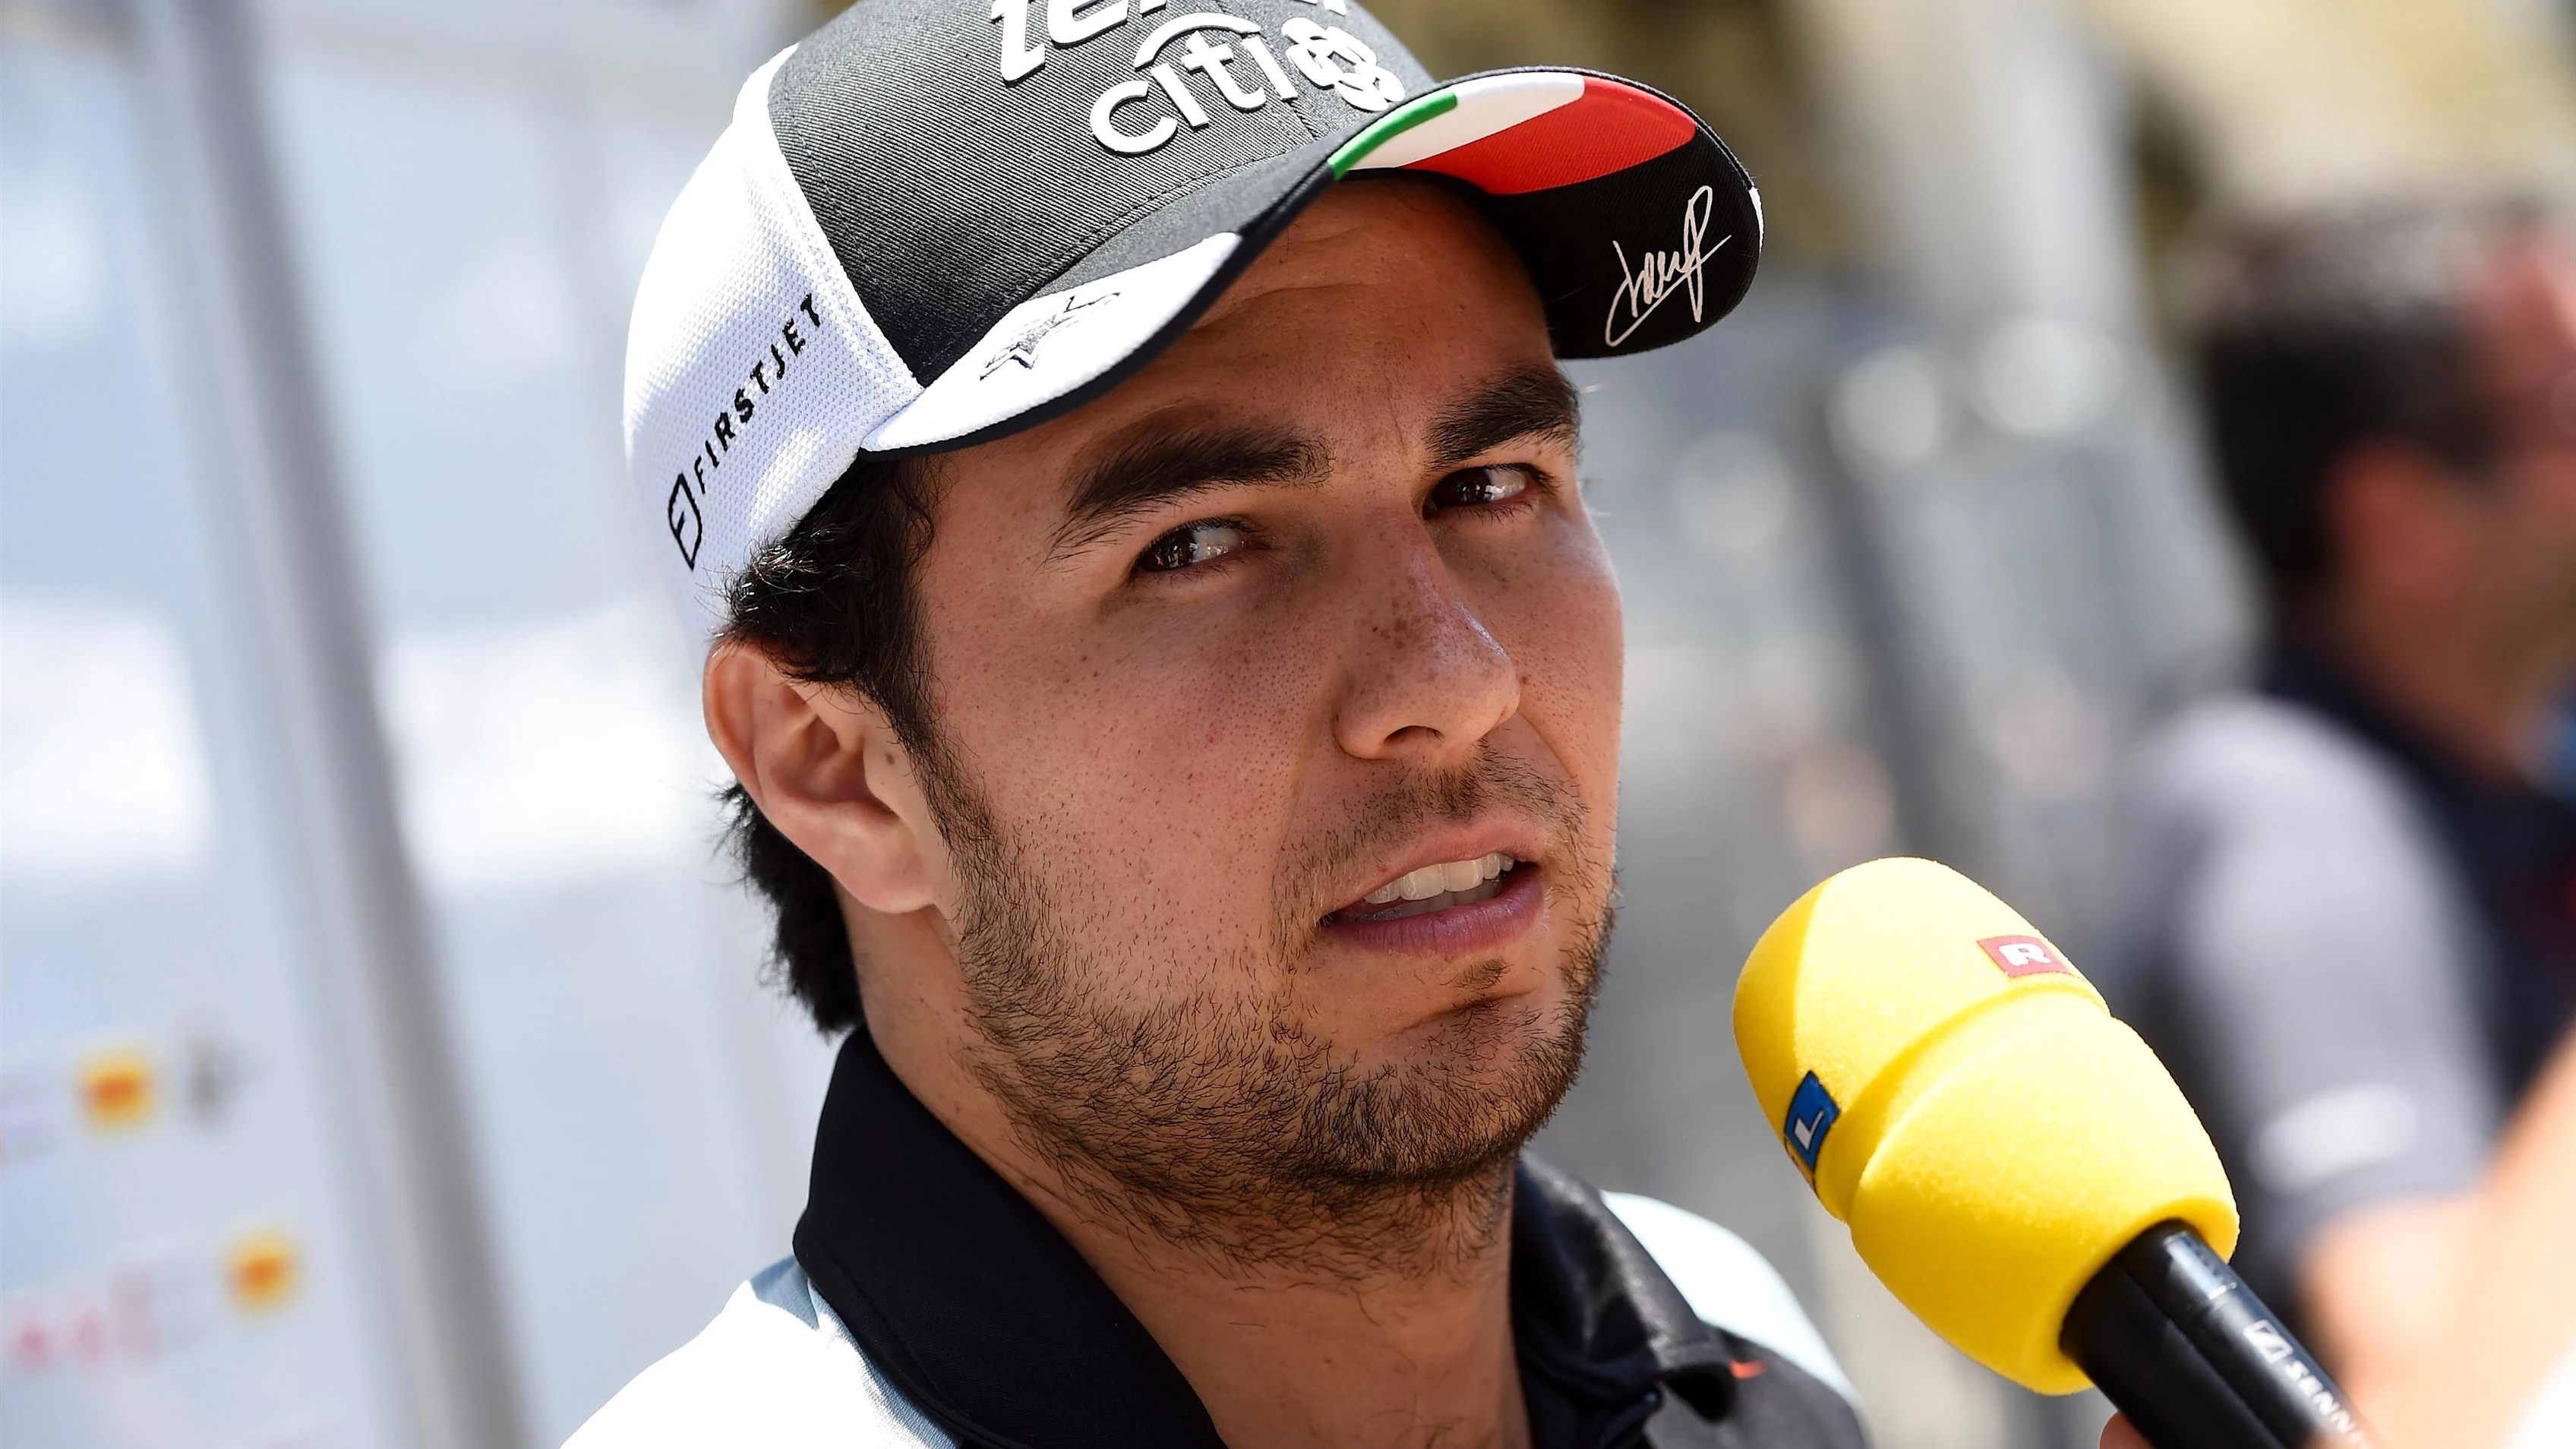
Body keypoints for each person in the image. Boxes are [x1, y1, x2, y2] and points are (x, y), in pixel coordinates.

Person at [570, 2, 1868, 1444]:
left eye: (1491, 483)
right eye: (1197, 545)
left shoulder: (1740, 1340)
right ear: (837, 770)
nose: (1456, 679)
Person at [2101, 194, 2576, 1422]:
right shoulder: (2288, 824)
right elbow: (2424, 1401)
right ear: (2400, 518)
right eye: (2563, 404)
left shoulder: (2503, 760)